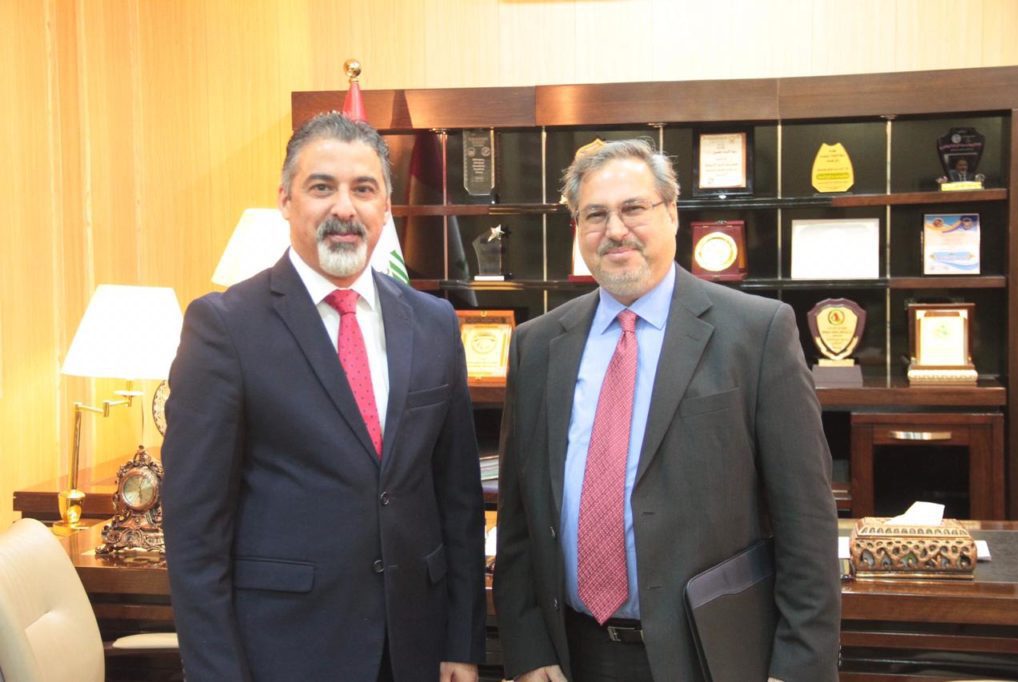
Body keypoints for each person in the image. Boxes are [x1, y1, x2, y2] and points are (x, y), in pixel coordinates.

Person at [493, 139, 840, 682]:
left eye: (634, 208)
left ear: (672, 212)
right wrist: (529, 650)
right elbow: (519, 519)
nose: (615, 230)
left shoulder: (757, 333)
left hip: (710, 657)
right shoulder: (536, 346)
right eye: (595, 215)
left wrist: (797, 668)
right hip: (572, 655)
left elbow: (807, 520)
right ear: (577, 229)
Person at [162, 112, 486, 682]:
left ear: (386, 207)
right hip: (285, 650)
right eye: (321, 187)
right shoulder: (226, 327)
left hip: (413, 644)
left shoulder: (434, 322)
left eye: (363, 189)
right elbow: (195, 532)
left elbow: (456, 498)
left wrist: (460, 640)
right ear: (285, 201)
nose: (344, 208)